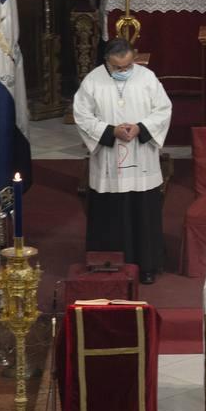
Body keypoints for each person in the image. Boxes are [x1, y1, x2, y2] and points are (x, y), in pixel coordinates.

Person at [73, 38, 172, 283]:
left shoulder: (148, 78)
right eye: (118, 68)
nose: (124, 71)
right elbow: (82, 116)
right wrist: (110, 131)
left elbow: (163, 110)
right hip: (109, 160)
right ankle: (109, 265)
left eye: (128, 65)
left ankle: (147, 266)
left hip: (141, 158)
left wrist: (141, 128)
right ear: (107, 61)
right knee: (111, 215)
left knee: (142, 214)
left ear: (134, 56)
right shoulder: (92, 81)